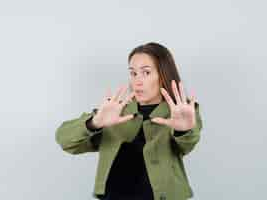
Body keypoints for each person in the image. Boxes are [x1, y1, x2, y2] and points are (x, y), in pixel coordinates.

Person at [55, 42, 203, 200]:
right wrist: (94, 123)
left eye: (146, 73)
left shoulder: (181, 111)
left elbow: (188, 144)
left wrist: (184, 130)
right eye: (133, 73)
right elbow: (65, 140)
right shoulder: (116, 111)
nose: (137, 81)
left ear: (164, 75)